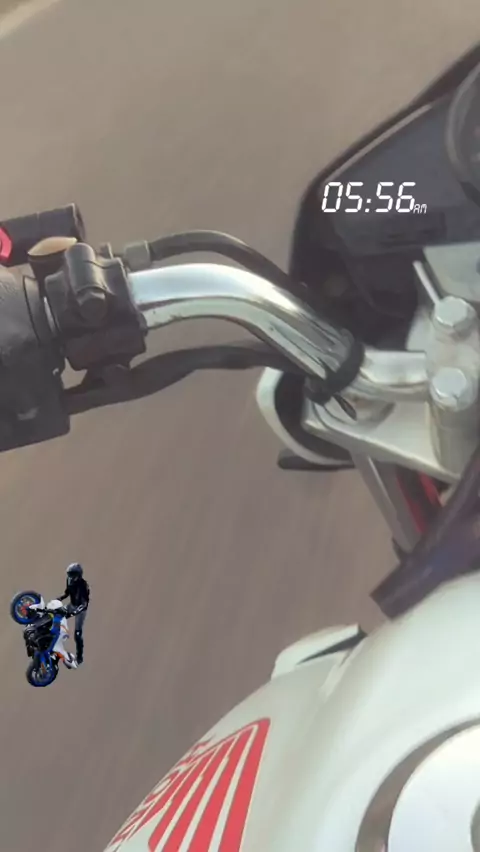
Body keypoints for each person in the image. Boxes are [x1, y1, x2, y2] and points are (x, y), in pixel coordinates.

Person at [58, 563, 90, 664]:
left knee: (77, 634)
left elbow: (85, 603)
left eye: (72, 575)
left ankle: (79, 656)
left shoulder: (84, 585)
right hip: (72, 605)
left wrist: (76, 611)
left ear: (78, 575)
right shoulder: (69, 580)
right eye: (69, 575)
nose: (71, 577)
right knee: (56, 615)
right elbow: (67, 593)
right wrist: (60, 598)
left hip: (81, 610)